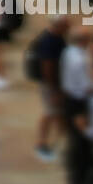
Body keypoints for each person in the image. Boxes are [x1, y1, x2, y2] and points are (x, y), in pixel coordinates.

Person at [30, 15, 69, 161]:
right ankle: (41, 144)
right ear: (59, 26)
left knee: (58, 114)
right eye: (66, 25)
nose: (69, 28)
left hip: (54, 85)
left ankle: (61, 144)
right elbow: (48, 68)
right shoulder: (49, 41)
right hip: (51, 86)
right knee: (49, 113)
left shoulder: (55, 37)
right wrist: (55, 90)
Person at [60, 29, 93, 184]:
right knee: (82, 141)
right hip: (80, 102)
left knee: (74, 138)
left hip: (69, 100)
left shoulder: (68, 52)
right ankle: (79, 179)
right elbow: (87, 86)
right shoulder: (81, 59)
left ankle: (74, 171)